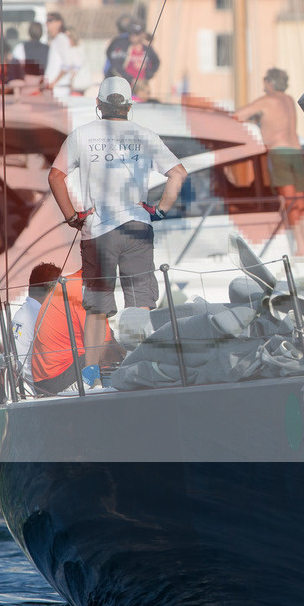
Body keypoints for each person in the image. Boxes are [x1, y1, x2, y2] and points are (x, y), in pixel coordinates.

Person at [48, 76, 187, 389]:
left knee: (97, 309)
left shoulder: (81, 135)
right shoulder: (145, 135)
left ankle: (91, 377)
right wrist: (160, 210)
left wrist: (72, 217)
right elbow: (178, 174)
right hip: (138, 228)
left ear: (98, 104)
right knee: (140, 305)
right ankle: (142, 371)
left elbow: (55, 176)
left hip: (98, 233)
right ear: (128, 106)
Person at [234, 67, 304, 254]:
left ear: (270, 82)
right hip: (296, 152)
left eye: (264, 80)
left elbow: (236, 116)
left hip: (280, 153)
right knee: (300, 202)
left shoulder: (267, 101)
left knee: (289, 200)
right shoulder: (288, 100)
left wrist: (254, 121)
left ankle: (300, 249)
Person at [29, 270, 123, 396]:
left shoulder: (73, 282)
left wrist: (125, 353)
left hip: (45, 378)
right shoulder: (86, 289)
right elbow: (105, 350)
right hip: (58, 378)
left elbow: (108, 336)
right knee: (102, 357)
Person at [12, 261, 62, 375]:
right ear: (51, 290)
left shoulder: (21, 314)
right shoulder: (41, 317)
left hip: (25, 380)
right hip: (39, 382)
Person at [43, 12, 84, 93]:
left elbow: (68, 63)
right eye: (47, 20)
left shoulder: (61, 38)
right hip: (56, 87)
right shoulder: (57, 39)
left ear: (59, 22)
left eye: (50, 20)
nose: (47, 23)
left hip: (58, 88)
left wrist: (54, 82)